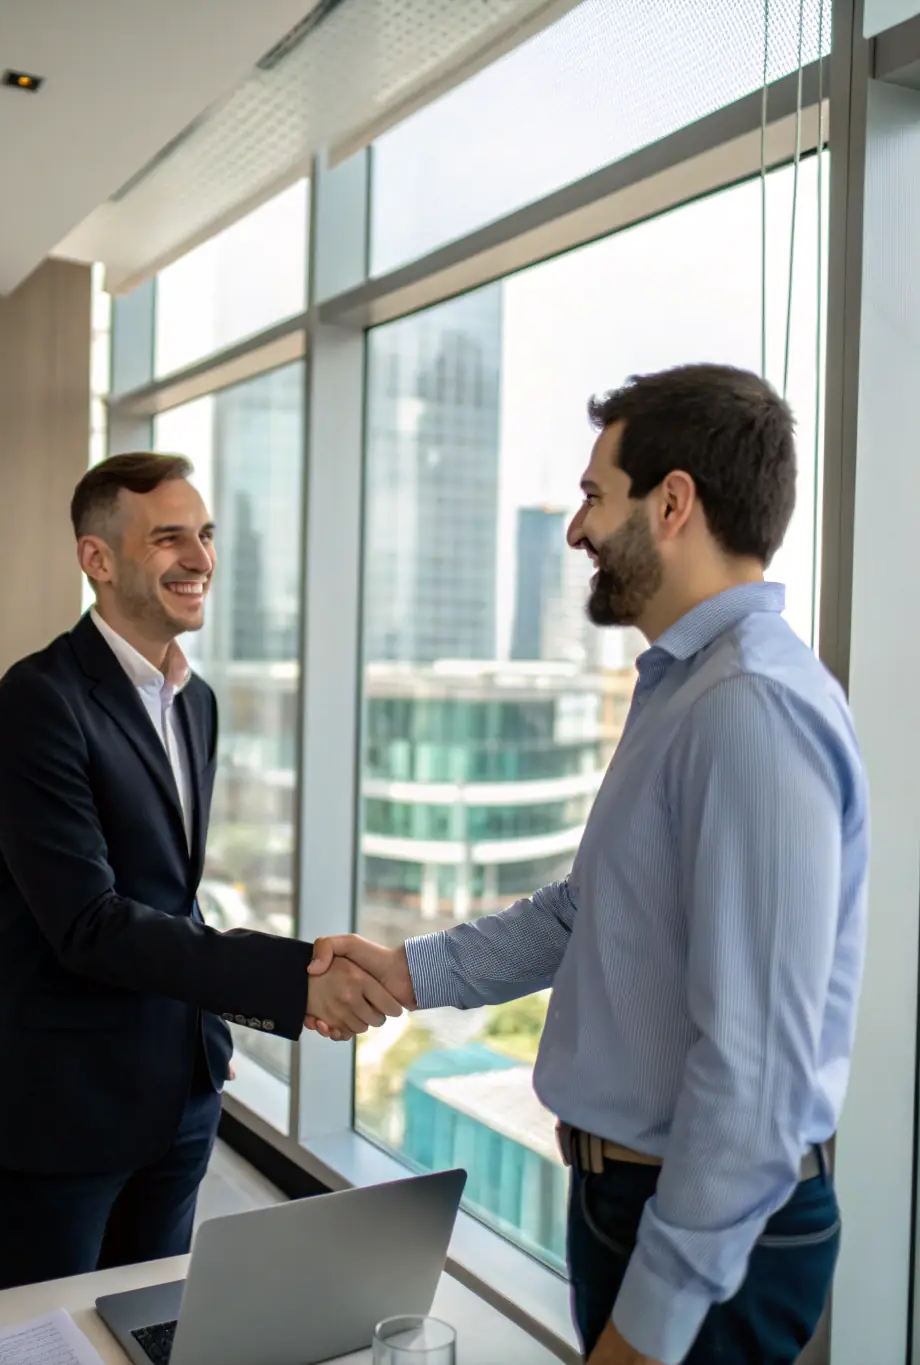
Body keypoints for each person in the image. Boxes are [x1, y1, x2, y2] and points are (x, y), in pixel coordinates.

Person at [306, 365, 869, 1365]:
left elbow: (756, 1079)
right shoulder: (683, 689)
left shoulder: (749, 709)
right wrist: (408, 971)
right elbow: (588, 911)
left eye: (592, 497)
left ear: (673, 502)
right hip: (633, 1197)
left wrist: (646, 1335)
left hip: (703, 1227)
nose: (575, 531)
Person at [0, 452, 399, 1296]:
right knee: (33, 1347)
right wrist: (293, 979)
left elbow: (167, 891)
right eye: (170, 537)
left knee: (150, 1333)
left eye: (207, 534)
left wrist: (208, 1034)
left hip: (178, 1094)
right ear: (98, 559)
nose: (201, 558)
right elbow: (90, 922)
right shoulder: (38, 701)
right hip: (59, 1104)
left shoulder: (197, 700)